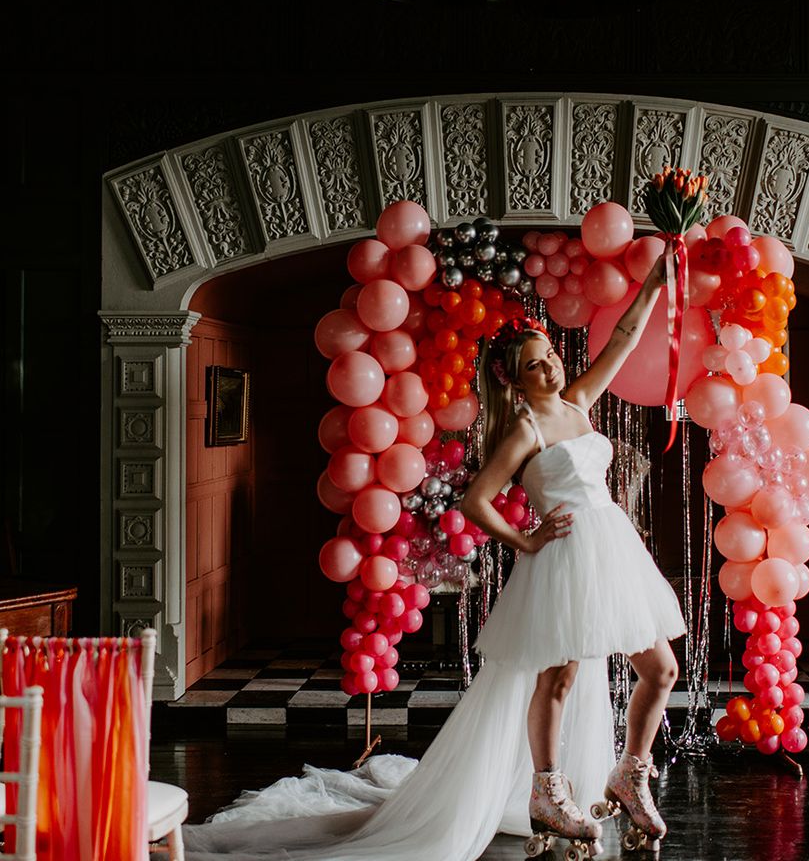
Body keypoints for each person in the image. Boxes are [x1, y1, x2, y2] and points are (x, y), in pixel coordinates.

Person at [183, 255, 684, 861]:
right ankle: (547, 790)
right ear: (514, 381)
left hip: (613, 550)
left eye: (550, 354)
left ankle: (629, 773)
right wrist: (526, 541)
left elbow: (623, 340)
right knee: (559, 676)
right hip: (565, 557)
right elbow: (476, 501)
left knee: (660, 669)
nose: (550, 365)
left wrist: (654, 284)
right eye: (534, 364)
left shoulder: (578, 403)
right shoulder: (524, 431)